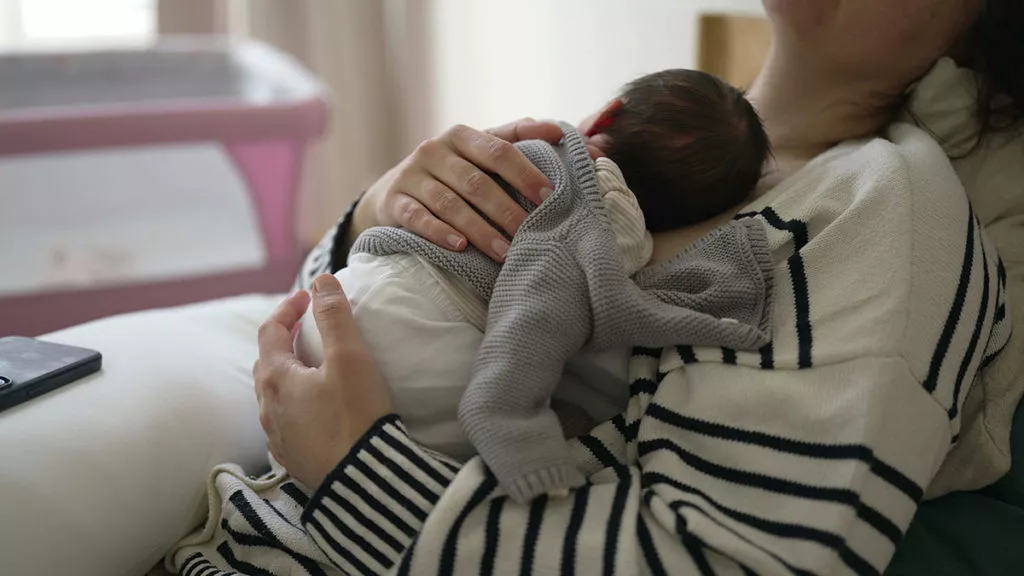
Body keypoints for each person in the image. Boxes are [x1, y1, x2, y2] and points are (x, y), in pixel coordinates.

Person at [173, 0, 1023, 574]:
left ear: (977, 32)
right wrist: (380, 213)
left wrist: (359, 477)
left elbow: (737, 557)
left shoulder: (887, 206)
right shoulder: (647, 135)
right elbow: (311, 348)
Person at [291, 68, 772, 503]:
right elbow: (552, 308)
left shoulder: (521, 153)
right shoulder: (614, 222)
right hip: (424, 342)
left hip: (346, 294)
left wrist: (372, 211)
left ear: (607, 114)